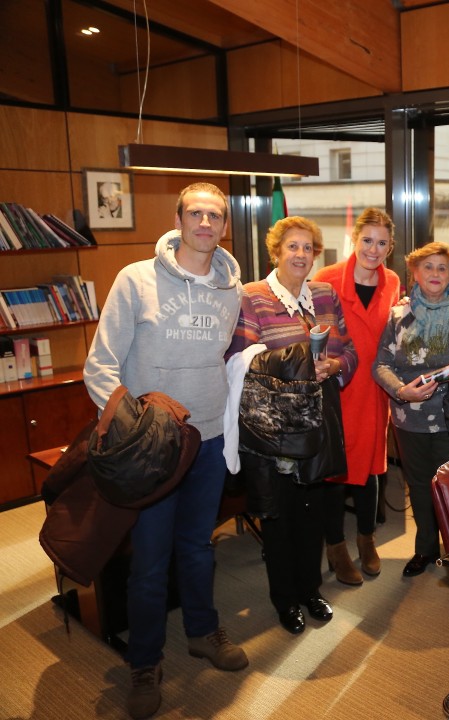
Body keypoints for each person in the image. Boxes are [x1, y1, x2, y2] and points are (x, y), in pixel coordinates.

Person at [83, 182, 248, 720]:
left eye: (215, 216)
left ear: (224, 226)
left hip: (209, 438)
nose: (205, 223)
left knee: (199, 546)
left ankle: (201, 631)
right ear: (178, 220)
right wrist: (131, 428)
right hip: (153, 446)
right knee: (150, 562)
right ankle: (145, 662)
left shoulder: (231, 288)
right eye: (195, 213)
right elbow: (100, 366)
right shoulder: (136, 279)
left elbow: (221, 357)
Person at [228, 216, 357, 635]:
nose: (300, 255)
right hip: (277, 425)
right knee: (280, 514)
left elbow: (350, 352)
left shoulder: (325, 295)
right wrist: (298, 364)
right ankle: (284, 599)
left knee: (313, 510)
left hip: (318, 419)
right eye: (292, 246)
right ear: (276, 252)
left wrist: (333, 365)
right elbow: (239, 360)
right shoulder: (253, 297)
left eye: (307, 247)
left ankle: (311, 589)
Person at [374, 241, 449, 577]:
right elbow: (381, 364)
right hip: (408, 420)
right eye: (428, 267)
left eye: (443, 268)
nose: (435, 273)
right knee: (419, 487)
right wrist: (401, 391)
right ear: (414, 272)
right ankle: (425, 549)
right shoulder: (398, 315)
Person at [312, 208, 400, 583]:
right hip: (337, 388)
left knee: (371, 468)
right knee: (336, 473)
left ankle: (366, 540)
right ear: (354, 239)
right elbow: (313, 333)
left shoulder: (392, 281)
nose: (373, 249)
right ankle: (336, 547)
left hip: (375, 389)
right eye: (367, 240)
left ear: (390, 247)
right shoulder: (326, 279)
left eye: (381, 243)